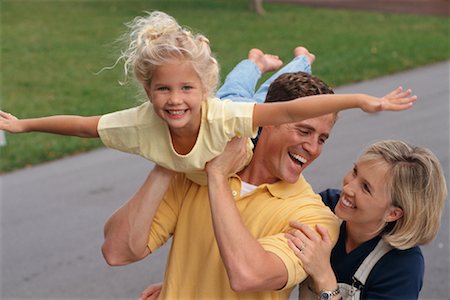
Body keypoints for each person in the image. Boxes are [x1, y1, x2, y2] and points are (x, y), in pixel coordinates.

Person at [0, 11, 416, 186]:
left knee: (283, 85)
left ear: (202, 89)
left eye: (186, 88)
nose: (174, 100)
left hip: (235, 112)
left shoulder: (222, 113)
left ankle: (298, 58)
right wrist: (23, 125)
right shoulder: (137, 123)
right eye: (163, 89)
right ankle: (255, 58)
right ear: (147, 91)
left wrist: (361, 99)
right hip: (232, 101)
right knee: (244, 82)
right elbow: (81, 125)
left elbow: (290, 109)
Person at [101, 68, 344, 299]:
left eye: (322, 138)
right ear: (269, 118)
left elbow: (247, 275)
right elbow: (117, 251)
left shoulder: (314, 218)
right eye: (303, 132)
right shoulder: (195, 174)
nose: (313, 148)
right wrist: (169, 159)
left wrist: (217, 176)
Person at [285, 140, 447, 299]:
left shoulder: (403, 266)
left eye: (366, 188)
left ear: (393, 213)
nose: (347, 188)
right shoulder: (327, 205)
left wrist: (323, 276)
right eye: (355, 172)